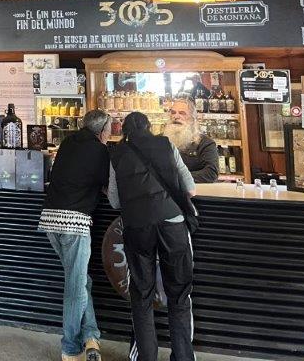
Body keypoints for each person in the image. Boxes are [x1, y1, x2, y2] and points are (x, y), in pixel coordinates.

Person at [109, 112, 197, 361]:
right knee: (179, 292)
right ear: (149, 126)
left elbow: (115, 201)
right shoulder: (166, 144)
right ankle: (183, 356)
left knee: (142, 294)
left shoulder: (117, 154)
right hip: (172, 223)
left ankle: (146, 356)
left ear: (124, 130)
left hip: (138, 227)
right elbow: (190, 188)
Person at [37, 109, 112, 361]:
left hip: (50, 219)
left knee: (80, 281)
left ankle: (90, 335)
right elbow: (109, 188)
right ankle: (70, 347)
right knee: (75, 287)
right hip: (74, 223)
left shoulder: (68, 142)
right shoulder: (100, 151)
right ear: (102, 131)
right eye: (109, 129)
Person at [164, 97, 218, 183]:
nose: (176, 116)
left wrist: (178, 177)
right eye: (173, 112)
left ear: (192, 119)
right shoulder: (159, 140)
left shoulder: (205, 143)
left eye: (182, 113)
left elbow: (211, 173)